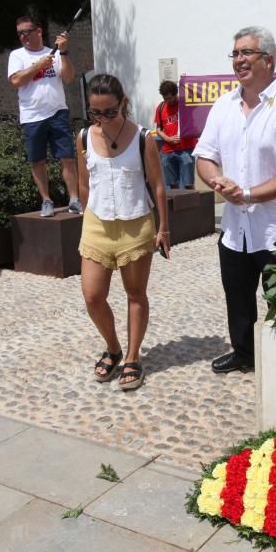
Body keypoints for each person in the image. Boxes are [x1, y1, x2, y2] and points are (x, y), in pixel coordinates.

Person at [194, 26, 276, 373]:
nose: (239, 60)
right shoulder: (223, 105)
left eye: (246, 53)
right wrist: (215, 179)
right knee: (238, 297)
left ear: (269, 60)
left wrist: (247, 194)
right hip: (235, 230)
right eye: (235, 54)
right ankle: (245, 353)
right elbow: (204, 154)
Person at [77, 74, 170, 391]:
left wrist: (163, 228)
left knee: (135, 294)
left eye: (109, 112)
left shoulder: (144, 137)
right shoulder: (84, 137)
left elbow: (158, 185)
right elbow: (84, 184)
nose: (102, 119)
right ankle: (113, 346)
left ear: (123, 105)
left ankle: (132, 357)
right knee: (92, 296)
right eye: (95, 113)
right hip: (96, 224)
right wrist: (85, 220)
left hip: (135, 223)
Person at [7, 15, 81, 217]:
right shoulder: (17, 56)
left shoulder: (54, 53)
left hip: (57, 111)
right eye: (20, 33)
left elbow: (68, 77)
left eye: (26, 32)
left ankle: (74, 199)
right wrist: (37, 66)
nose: (23, 37)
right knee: (37, 160)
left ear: (38, 31)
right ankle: (46, 200)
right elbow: (15, 81)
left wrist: (63, 52)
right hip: (32, 116)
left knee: (67, 157)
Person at [153, 80, 197, 189]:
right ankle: (176, 206)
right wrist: (168, 139)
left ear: (175, 94)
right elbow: (158, 129)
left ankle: (191, 205)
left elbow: (197, 100)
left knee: (188, 184)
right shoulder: (161, 107)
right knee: (172, 185)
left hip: (186, 149)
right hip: (168, 151)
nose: (168, 101)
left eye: (170, 98)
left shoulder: (185, 104)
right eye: (165, 98)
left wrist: (186, 83)